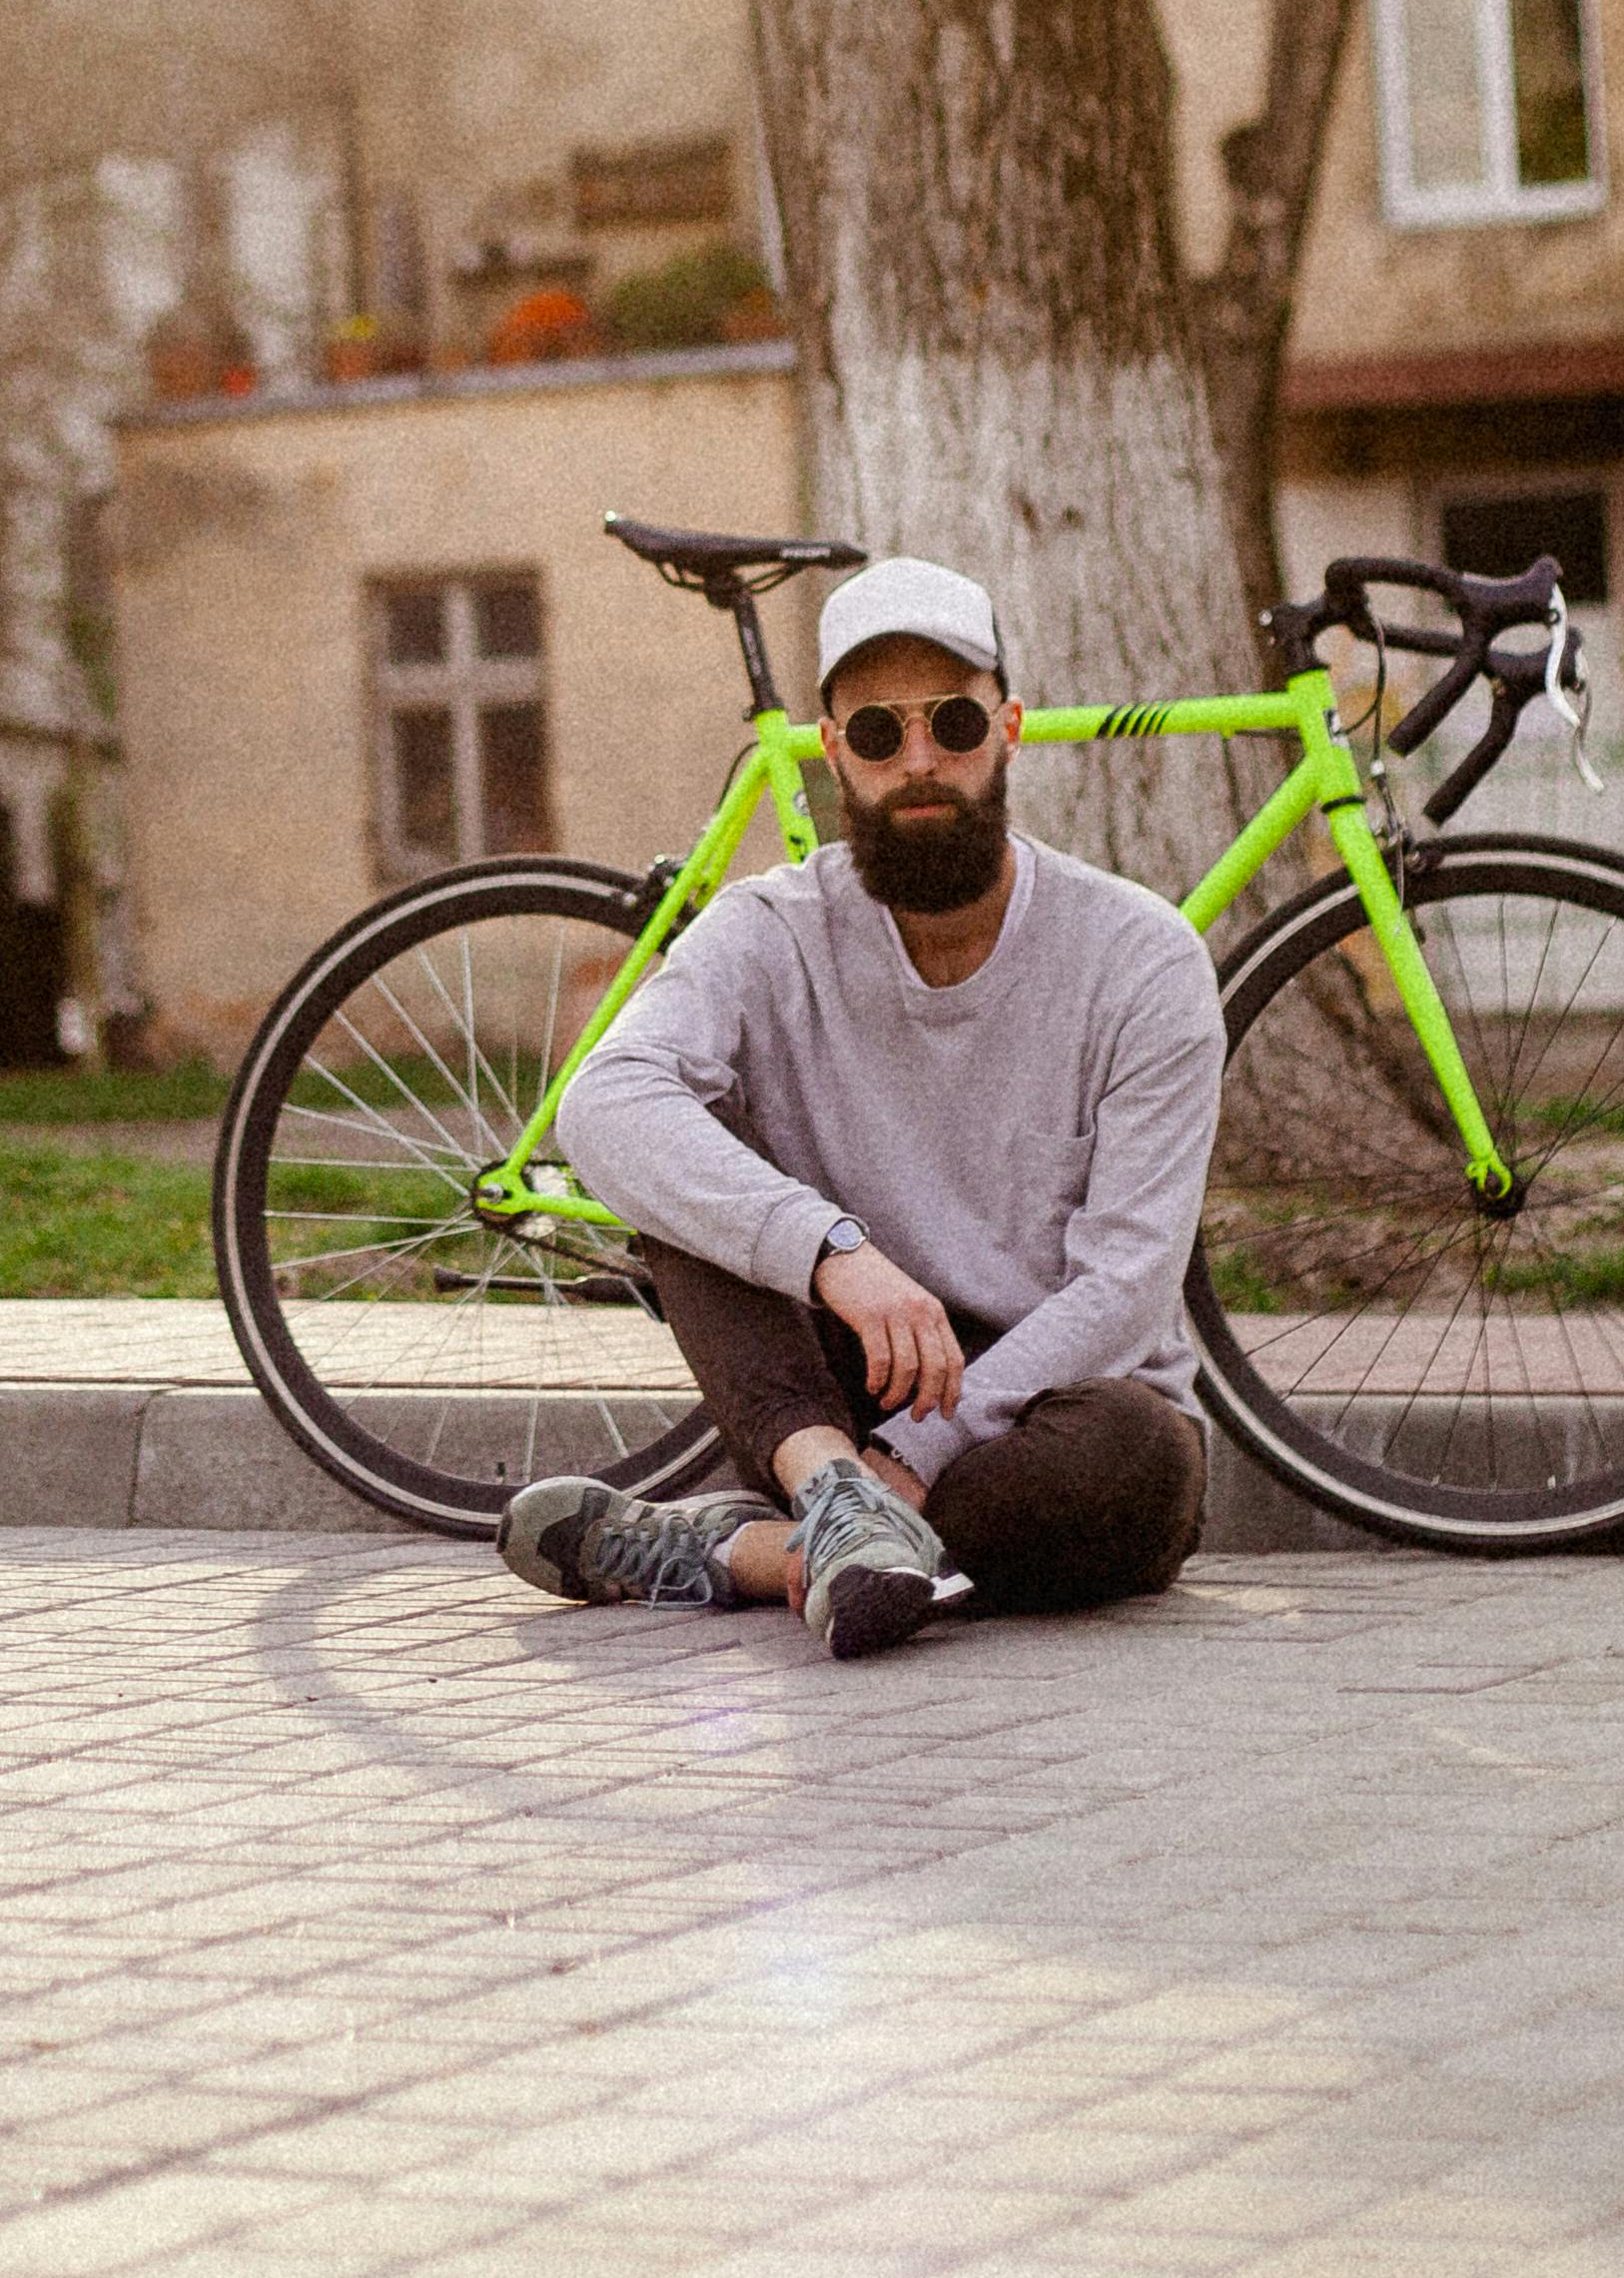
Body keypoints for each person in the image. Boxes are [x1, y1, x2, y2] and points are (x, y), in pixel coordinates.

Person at [498, 555, 1224, 1658]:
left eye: (954, 724)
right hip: (835, 1401)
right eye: (879, 735)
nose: (920, 761)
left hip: (1046, 1412)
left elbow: (1126, 1288)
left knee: (1140, 1460)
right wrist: (830, 1249)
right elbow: (602, 1104)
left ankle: (748, 1555)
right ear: (834, 751)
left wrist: (924, 1451)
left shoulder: (1141, 957)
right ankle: (834, 1514)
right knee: (688, 1166)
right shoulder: (769, 929)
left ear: (1011, 729)